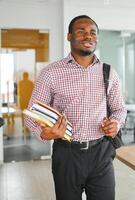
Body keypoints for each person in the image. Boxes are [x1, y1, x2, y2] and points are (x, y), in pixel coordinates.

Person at [25, 15, 127, 200]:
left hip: (101, 152)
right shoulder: (51, 73)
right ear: (69, 36)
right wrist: (44, 134)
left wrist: (116, 124)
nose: (88, 36)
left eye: (92, 33)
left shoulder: (109, 72)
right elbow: (32, 115)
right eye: (81, 31)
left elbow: (119, 109)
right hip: (67, 154)